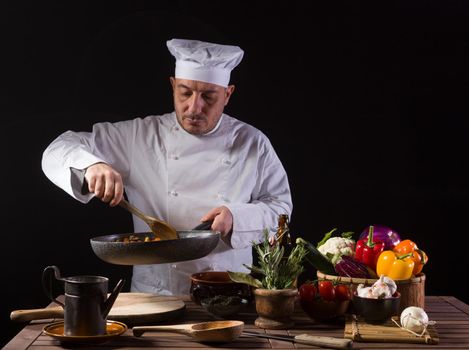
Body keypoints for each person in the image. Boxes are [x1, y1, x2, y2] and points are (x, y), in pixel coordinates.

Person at [41, 38, 292, 295]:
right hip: (155, 295)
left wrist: (236, 218)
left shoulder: (252, 142)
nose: (194, 107)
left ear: (228, 94)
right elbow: (57, 149)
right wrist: (91, 165)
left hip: (229, 294)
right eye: (185, 92)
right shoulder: (139, 136)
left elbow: (281, 208)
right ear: (173, 85)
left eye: (208, 96)